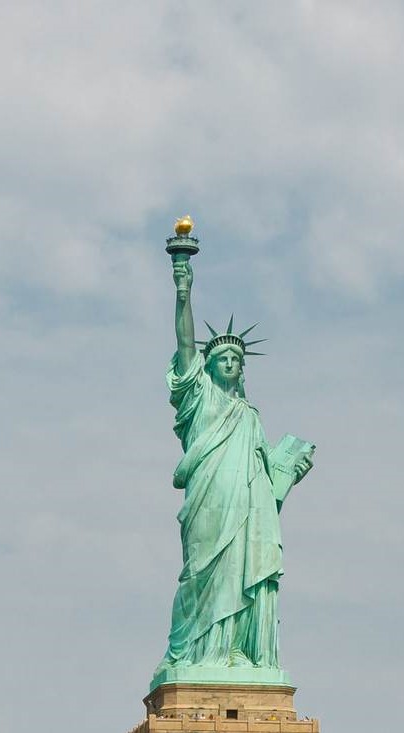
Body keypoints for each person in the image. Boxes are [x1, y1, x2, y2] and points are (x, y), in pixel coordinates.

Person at [155, 237, 314, 680]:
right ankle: (188, 653)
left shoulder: (250, 417)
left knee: (240, 571)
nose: (229, 362)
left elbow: (265, 487)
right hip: (208, 503)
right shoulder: (198, 398)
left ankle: (234, 653)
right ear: (207, 367)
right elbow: (186, 342)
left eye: (235, 358)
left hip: (246, 513)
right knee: (199, 574)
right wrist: (182, 289)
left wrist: (288, 474)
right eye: (221, 356)